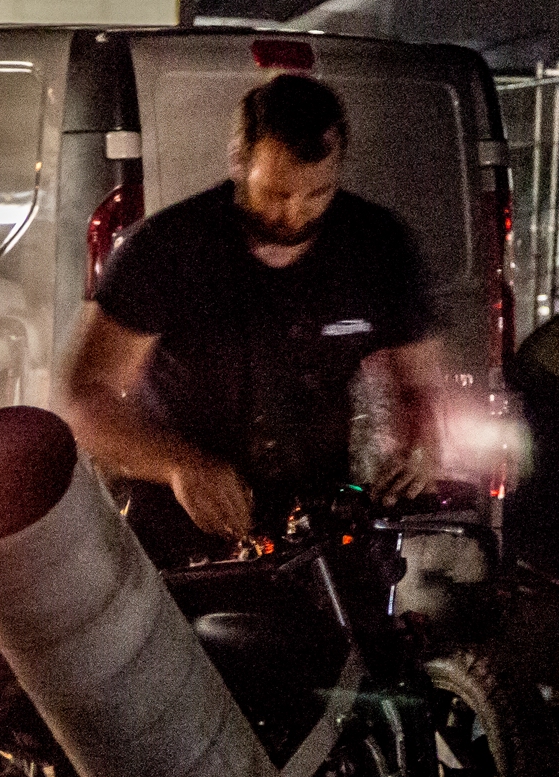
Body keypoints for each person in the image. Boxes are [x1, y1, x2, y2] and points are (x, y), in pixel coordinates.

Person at [62, 74, 443, 566]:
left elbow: (421, 386)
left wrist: (422, 445)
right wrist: (179, 465)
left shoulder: (376, 245)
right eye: (276, 193)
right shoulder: (167, 249)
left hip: (316, 532)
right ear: (238, 162)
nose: (295, 213)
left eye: (318, 192)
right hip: (184, 529)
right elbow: (83, 399)